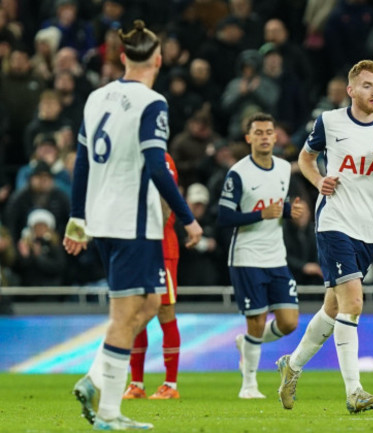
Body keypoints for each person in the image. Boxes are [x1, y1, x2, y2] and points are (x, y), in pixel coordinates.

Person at [63, 20, 202, 430]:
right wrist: (189, 219)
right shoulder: (152, 103)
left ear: (123, 57)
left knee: (151, 303)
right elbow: (157, 166)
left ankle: (94, 378)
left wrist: (77, 217)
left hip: (103, 218)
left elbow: (82, 162)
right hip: (134, 222)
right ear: (158, 59)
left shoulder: (95, 98)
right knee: (125, 314)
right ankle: (108, 412)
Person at [276, 60, 373, 414]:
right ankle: (354, 391)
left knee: (333, 307)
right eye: (367, 85)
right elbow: (306, 159)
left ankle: (292, 366)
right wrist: (318, 180)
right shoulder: (329, 122)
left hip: (369, 227)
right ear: (351, 91)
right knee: (353, 302)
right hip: (334, 221)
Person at [217, 112, 306, 399]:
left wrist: (292, 210)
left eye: (270, 132)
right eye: (259, 133)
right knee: (256, 320)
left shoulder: (282, 168)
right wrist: (259, 214)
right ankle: (249, 385)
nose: (266, 137)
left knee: (289, 322)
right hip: (246, 256)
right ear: (249, 138)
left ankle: (247, 343)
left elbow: (279, 204)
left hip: (276, 257)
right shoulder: (238, 173)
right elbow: (223, 217)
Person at [124, 153, 183, 400]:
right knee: (136, 312)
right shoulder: (125, 158)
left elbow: (166, 200)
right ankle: (136, 383)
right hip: (134, 247)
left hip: (160, 248)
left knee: (164, 312)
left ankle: (170, 384)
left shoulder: (162, 158)